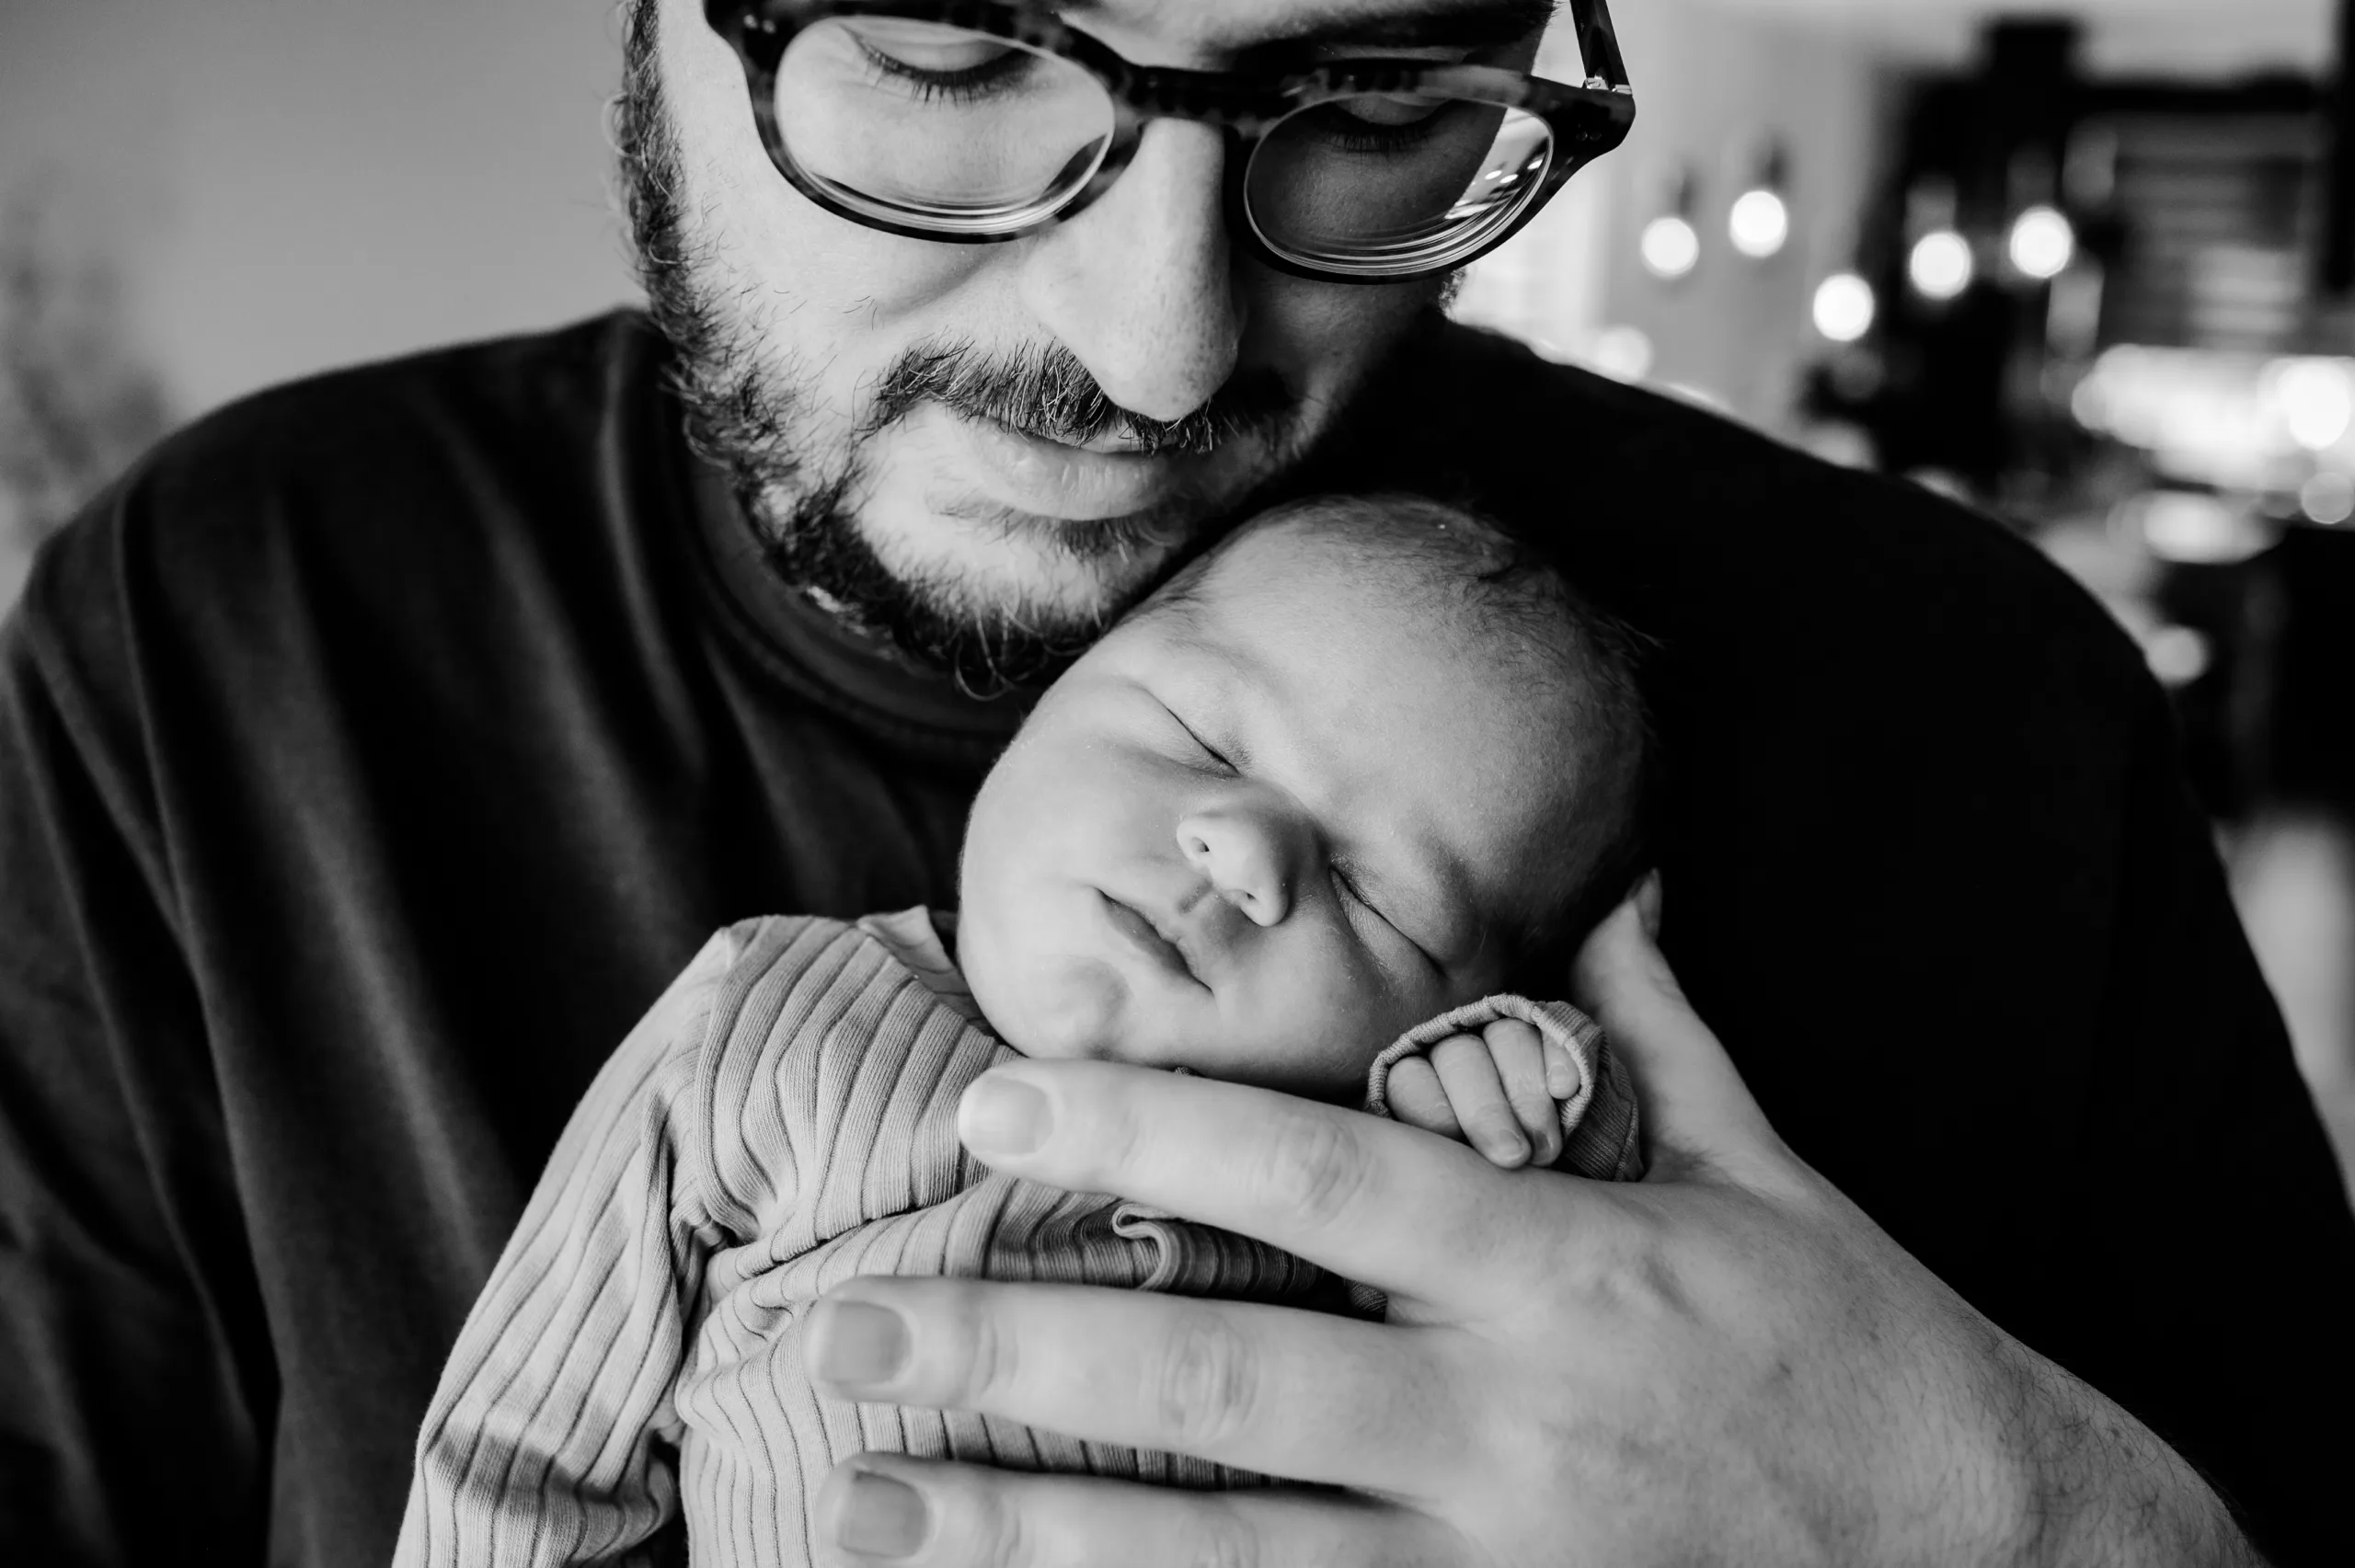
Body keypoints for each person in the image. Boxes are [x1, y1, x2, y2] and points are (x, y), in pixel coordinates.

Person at [1, 0, 2349, 1564]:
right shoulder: (218, 627)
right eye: (950, 44)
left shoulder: (1984, 710)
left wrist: (2028, 1530)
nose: (1157, 346)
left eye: (1376, 106)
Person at [395, 496, 1651, 1565]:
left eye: (1382, 901)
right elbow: (521, 1443)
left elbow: (1592, 1336)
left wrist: (1528, 1098)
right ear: (1052, 692)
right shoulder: (767, 1021)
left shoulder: (1366, 1158)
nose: (1246, 853)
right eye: (1202, 738)